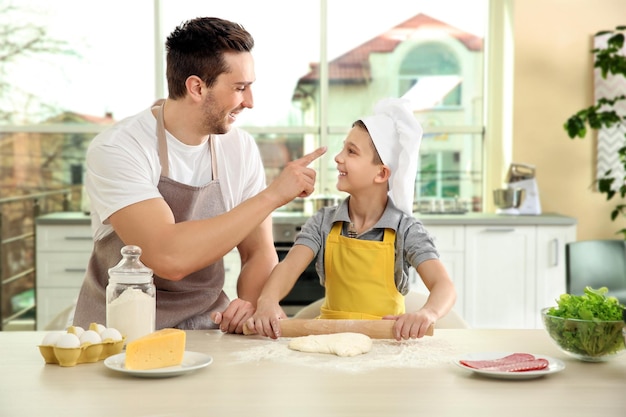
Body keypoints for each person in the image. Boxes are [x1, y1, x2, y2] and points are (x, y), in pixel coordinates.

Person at [72, 17, 326, 333]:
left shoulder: (240, 148)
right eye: (239, 88)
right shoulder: (120, 147)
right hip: (117, 334)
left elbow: (258, 251)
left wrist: (251, 302)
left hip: (207, 329)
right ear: (196, 87)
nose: (249, 102)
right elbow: (168, 257)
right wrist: (273, 196)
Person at [247, 98, 456, 341]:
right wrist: (267, 300)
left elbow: (444, 285)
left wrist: (427, 313)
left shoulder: (405, 230)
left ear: (381, 173)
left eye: (351, 151)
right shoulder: (324, 222)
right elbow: (288, 267)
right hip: (330, 343)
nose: (338, 157)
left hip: (386, 345)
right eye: (343, 148)